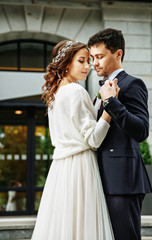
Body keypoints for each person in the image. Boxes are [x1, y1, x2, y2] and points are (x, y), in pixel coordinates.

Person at [31, 40, 118, 240]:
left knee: (63, 226)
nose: (88, 66)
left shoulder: (55, 94)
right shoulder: (76, 91)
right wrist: (109, 106)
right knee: (83, 226)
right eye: (82, 61)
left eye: (88, 61)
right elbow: (94, 139)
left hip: (60, 169)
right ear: (66, 63)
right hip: (80, 166)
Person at [88, 28, 152, 240]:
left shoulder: (132, 84)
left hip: (122, 181)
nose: (94, 63)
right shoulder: (98, 89)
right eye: (91, 58)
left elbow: (141, 130)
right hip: (99, 178)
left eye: (99, 57)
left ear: (118, 54)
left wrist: (111, 102)